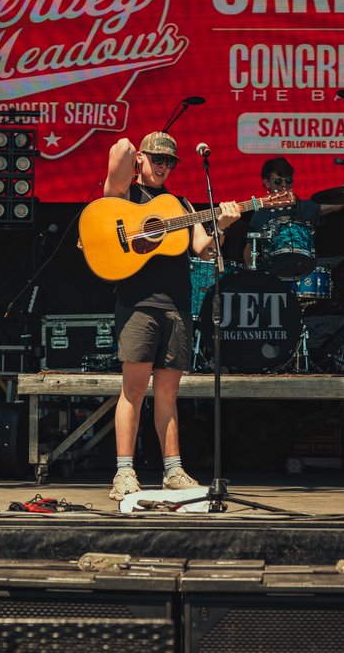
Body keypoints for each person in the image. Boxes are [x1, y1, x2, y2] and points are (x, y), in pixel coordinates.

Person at [102, 131, 241, 500]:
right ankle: (124, 472)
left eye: (169, 162)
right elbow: (120, 149)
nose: (163, 167)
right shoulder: (124, 197)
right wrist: (134, 151)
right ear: (142, 160)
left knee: (167, 393)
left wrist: (222, 226)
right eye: (157, 159)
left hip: (176, 306)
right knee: (132, 390)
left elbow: (204, 248)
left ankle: (173, 470)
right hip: (138, 304)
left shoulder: (179, 204)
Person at [242, 157, 344, 270]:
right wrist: (251, 270)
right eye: (278, 181)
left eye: (288, 180)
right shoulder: (260, 214)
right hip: (272, 271)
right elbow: (249, 248)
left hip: (303, 269)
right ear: (267, 183)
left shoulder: (302, 207)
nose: (284, 185)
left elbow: (336, 206)